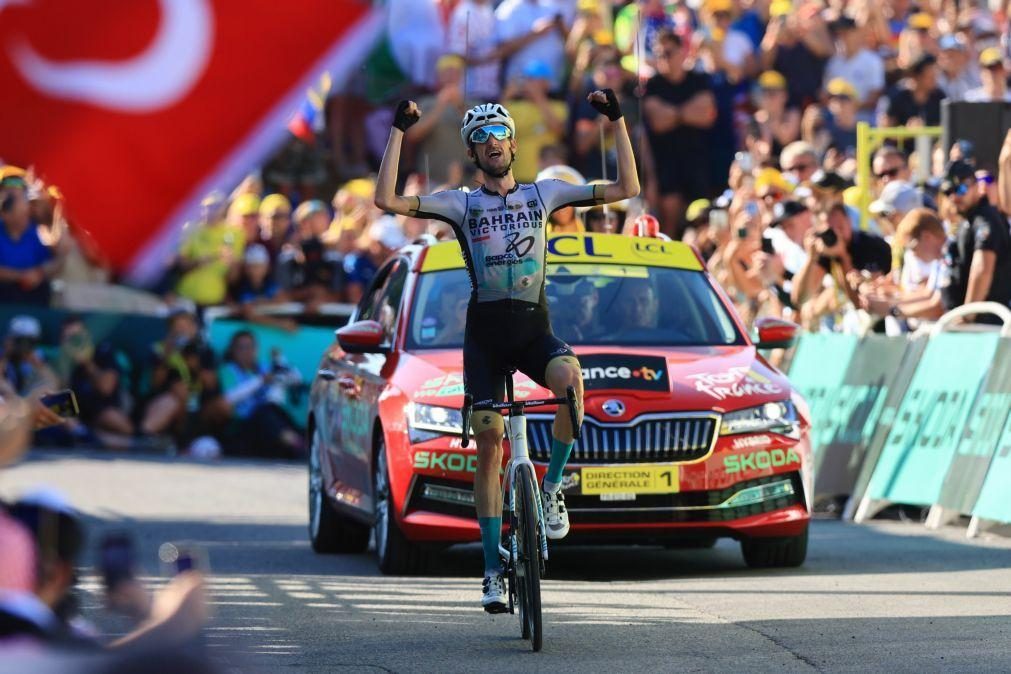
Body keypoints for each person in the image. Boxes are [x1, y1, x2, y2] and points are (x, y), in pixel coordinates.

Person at [375, 88, 638, 612]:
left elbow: (627, 186)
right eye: (479, 138)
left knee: (571, 385)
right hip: (486, 337)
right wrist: (399, 131)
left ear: (514, 144)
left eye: (498, 134)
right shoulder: (461, 204)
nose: (490, 142)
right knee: (491, 439)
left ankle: (552, 487)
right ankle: (492, 570)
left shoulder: (546, 194)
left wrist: (618, 120)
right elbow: (388, 202)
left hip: (534, 328)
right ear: (472, 154)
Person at [642, 30, 717, 239]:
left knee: (702, 223)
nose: (663, 59)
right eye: (659, 54)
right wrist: (687, 112)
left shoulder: (699, 80)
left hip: (698, 162)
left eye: (668, 53)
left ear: (683, 52)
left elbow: (707, 114)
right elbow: (657, 121)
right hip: (667, 164)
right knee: (669, 226)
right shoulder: (652, 85)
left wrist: (672, 113)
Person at [940, 160, 1011, 323]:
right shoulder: (968, 221)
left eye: (960, 189)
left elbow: (982, 268)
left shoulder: (985, 219)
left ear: (976, 186)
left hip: (982, 327)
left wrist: (967, 315)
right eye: (948, 191)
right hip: (968, 323)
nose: (954, 196)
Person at [218, 330, 303, 458]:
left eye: (250, 347)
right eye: (242, 347)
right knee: (264, 413)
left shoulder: (265, 366)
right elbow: (229, 398)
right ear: (232, 350)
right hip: (246, 425)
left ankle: (297, 445)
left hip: (274, 416)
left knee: (272, 411)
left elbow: (297, 379)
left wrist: (281, 362)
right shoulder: (228, 370)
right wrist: (261, 380)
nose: (247, 351)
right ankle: (299, 448)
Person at [0, 167, 60, 306]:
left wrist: (39, 273)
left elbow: (58, 259)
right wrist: (21, 276)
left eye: (17, 199)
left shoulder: (42, 231)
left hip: (35, 297)